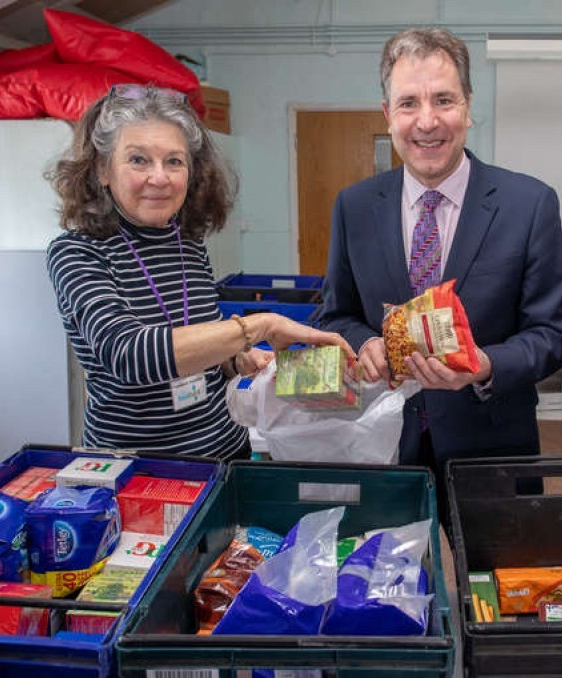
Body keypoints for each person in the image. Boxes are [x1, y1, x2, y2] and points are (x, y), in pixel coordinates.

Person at [318, 28, 562, 506]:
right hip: (383, 441)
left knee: (495, 577)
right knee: (387, 574)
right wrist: (367, 343)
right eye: (409, 103)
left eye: (443, 100)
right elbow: (335, 316)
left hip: (493, 445)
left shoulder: (529, 204)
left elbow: (555, 333)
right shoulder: (353, 207)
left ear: (468, 106)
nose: (427, 121)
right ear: (387, 114)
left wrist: (485, 366)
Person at [46, 83, 352, 460]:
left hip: (223, 454)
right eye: (138, 160)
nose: (159, 177)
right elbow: (129, 354)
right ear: (102, 170)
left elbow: (198, 347)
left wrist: (236, 360)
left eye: (174, 161)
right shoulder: (77, 253)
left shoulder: (186, 245)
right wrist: (258, 327)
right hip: (139, 470)